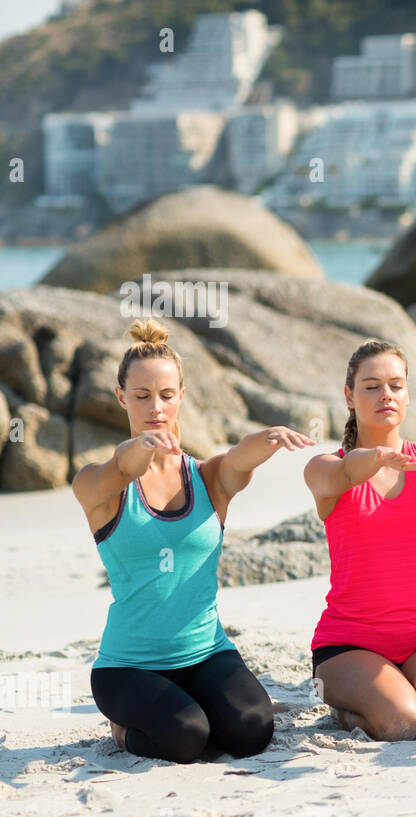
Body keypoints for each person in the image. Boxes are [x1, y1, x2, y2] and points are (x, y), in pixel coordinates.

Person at [74, 319, 311, 763]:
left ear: (181, 396)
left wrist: (269, 438)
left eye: (166, 395)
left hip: (205, 653)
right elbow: (122, 467)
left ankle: (190, 707)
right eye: (141, 396)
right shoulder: (100, 486)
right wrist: (140, 448)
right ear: (121, 397)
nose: (155, 406)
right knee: (184, 738)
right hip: (128, 668)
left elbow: (238, 459)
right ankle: (123, 730)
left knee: (251, 731)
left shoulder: (205, 479)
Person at [304, 340, 416, 740]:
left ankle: (407, 684)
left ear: (407, 394)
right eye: (371, 386)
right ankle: (348, 708)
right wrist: (374, 459)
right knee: (401, 722)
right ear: (349, 396)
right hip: (348, 644)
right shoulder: (325, 467)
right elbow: (342, 475)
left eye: (396, 385)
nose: (386, 394)